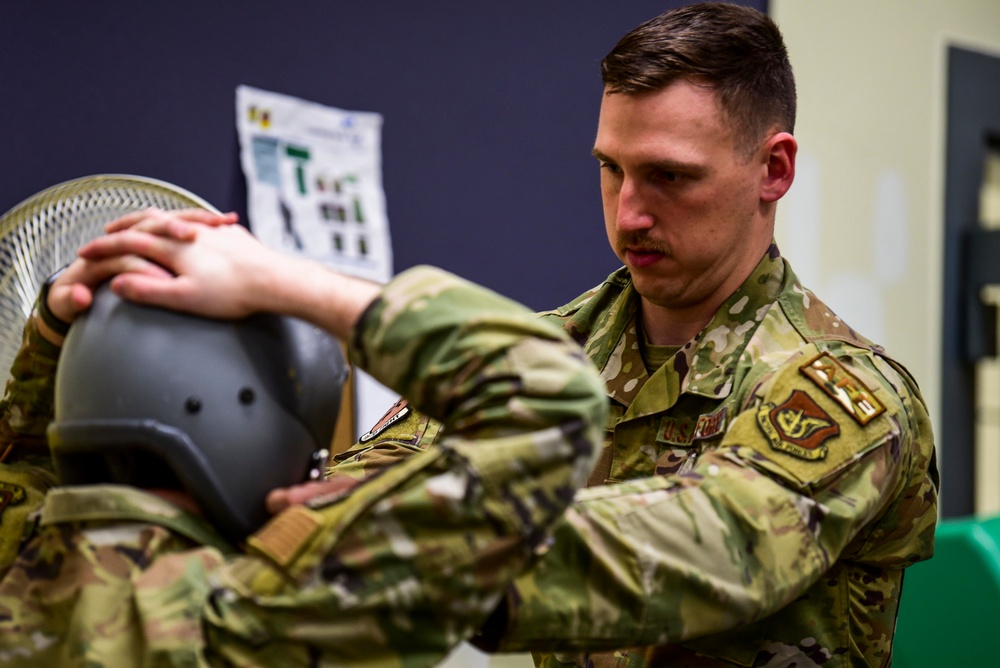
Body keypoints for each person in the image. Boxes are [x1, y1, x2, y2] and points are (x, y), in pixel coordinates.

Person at [314, 4, 938, 667]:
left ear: (773, 171)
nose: (629, 213)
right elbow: (357, 490)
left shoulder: (848, 392)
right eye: (612, 169)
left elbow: (724, 544)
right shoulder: (548, 352)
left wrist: (431, 560)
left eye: (670, 176)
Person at [0, 208, 607, 666]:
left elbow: (20, 454)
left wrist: (56, 326)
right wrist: (290, 283)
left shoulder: (15, 551)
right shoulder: (261, 619)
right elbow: (551, 393)